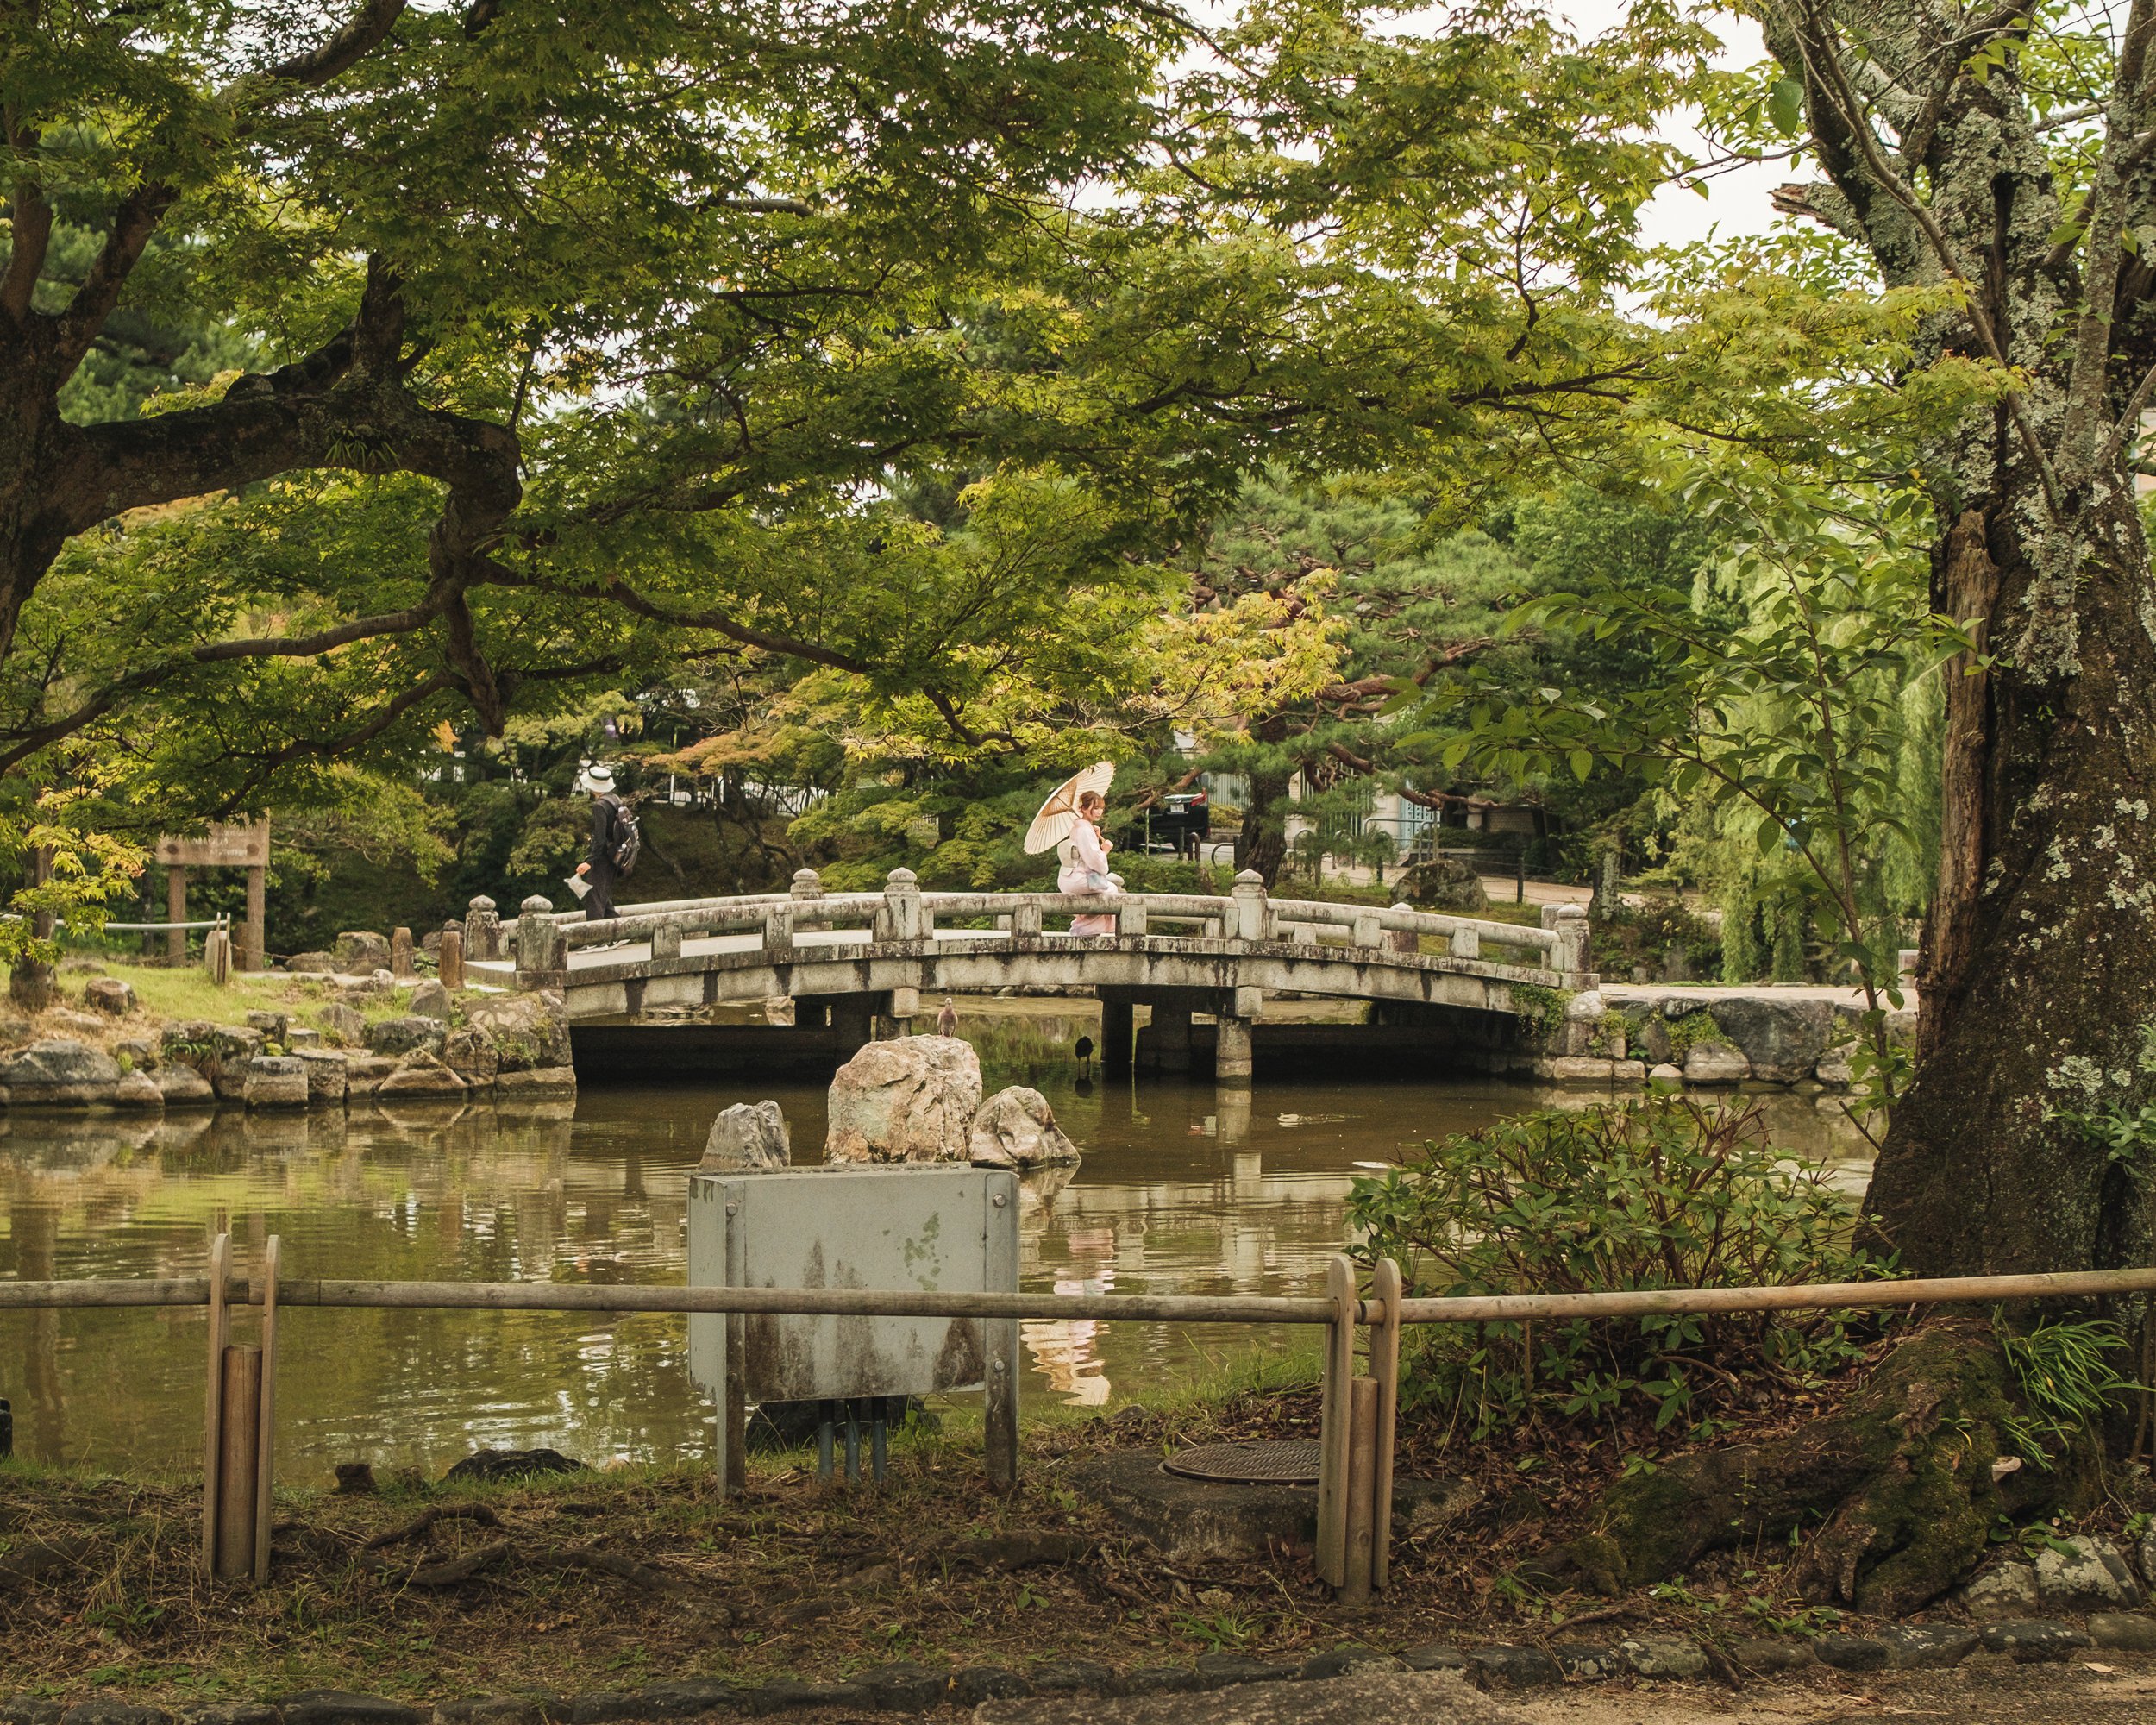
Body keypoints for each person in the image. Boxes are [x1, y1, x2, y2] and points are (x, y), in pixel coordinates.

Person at [1058, 789, 1119, 936]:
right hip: (1079, 880)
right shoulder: (1085, 830)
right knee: (1111, 890)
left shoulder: (1079, 827)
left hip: (1066, 878)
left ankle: (1084, 925)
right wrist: (1105, 850)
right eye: (1095, 808)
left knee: (1107, 889)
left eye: (1101, 808)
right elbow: (1096, 863)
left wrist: (1095, 835)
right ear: (1083, 809)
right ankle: (1086, 928)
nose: (1099, 812)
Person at [574, 764, 624, 925]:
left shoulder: (599, 806)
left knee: (593, 895)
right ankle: (618, 930)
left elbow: (600, 838)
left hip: (603, 857)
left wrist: (589, 862)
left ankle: (596, 938)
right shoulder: (615, 799)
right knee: (601, 894)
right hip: (615, 854)